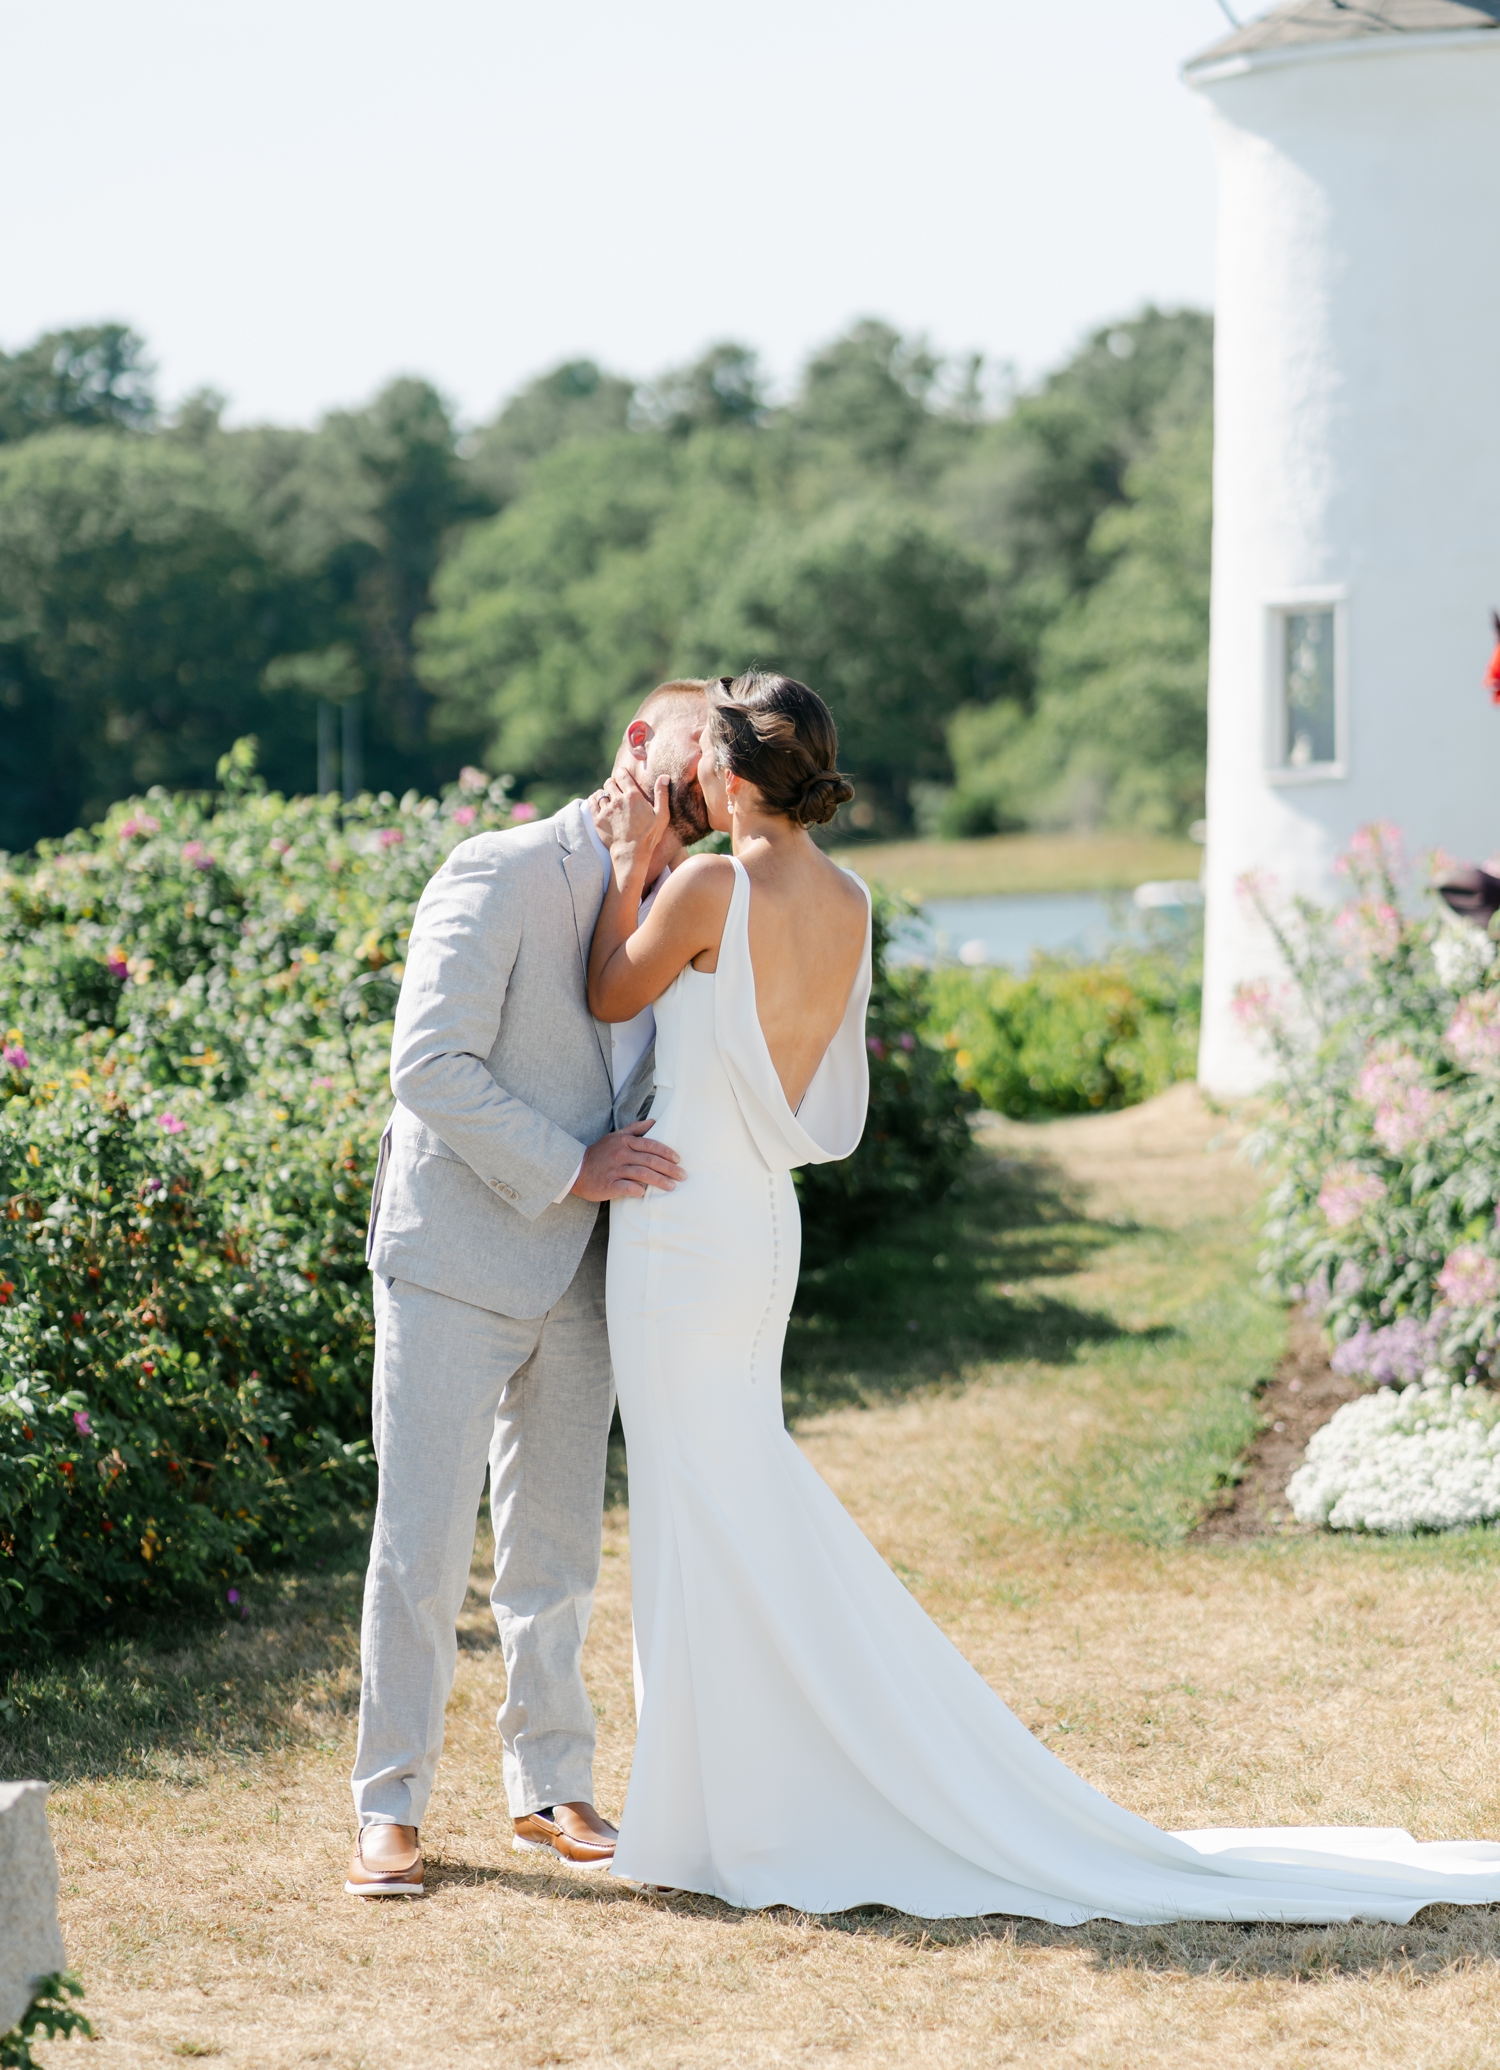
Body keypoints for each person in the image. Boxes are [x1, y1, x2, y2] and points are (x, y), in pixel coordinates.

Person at [585, 668, 1500, 1921]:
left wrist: (628, 863)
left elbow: (608, 992)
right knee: (731, 1487)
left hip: (681, 1220)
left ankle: (718, 1807)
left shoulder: (704, 887)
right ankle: (724, 1793)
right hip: (760, 1225)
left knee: (695, 1499)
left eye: (707, 756)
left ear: (733, 778)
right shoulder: (848, 902)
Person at [346, 680, 711, 1898]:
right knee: (422, 1544)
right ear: (638, 743)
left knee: (555, 1551)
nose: (713, 779)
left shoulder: (691, 900)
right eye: (698, 751)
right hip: (455, 1254)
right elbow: (428, 1064)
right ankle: (388, 1807)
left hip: (595, 1270)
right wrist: (571, 1166)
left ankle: (552, 1784)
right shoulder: (499, 869)